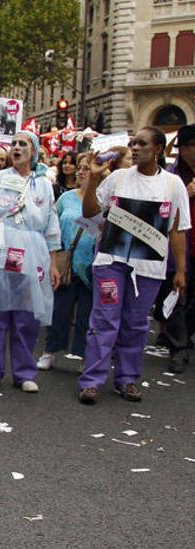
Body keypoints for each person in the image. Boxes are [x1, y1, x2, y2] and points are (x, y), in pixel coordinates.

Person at [77, 127, 190, 404]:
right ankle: (91, 381)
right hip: (111, 263)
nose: (135, 148)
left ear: (158, 149)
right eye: (133, 143)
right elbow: (90, 212)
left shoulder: (173, 184)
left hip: (149, 268)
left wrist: (181, 270)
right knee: (104, 320)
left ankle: (126, 379)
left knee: (136, 324)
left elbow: (177, 230)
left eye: (142, 143)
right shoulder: (117, 178)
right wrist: (93, 178)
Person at [0, 131, 62, 393]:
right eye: (14, 144)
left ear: (34, 151)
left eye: (23, 144)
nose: (17, 148)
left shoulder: (44, 185)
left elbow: (51, 225)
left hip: (32, 253)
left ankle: (24, 372)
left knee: (26, 316)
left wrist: (53, 263)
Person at [37, 152, 98, 371]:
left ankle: (84, 357)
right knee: (60, 311)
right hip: (66, 264)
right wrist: (52, 258)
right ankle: (49, 351)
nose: (81, 172)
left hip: (91, 267)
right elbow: (52, 227)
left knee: (87, 316)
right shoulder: (66, 198)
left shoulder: (104, 200)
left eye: (86, 168)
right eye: (80, 167)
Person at [157, 124, 195, 372]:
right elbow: (160, 210)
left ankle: (181, 333)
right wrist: (187, 195)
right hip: (177, 247)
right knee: (177, 297)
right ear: (184, 149)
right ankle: (178, 348)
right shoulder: (170, 177)